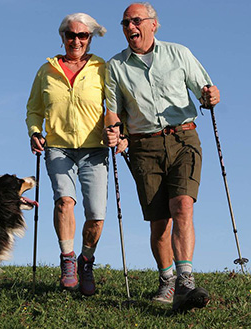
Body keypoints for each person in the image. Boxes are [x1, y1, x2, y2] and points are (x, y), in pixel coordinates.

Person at [104, 2, 220, 312]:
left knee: (182, 205)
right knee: (159, 222)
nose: (130, 27)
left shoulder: (179, 53)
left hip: (183, 137)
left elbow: (205, 90)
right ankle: (167, 280)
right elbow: (113, 111)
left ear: (154, 24)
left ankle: (185, 281)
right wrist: (113, 131)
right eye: (125, 22)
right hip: (144, 146)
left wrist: (211, 96)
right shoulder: (115, 66)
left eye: (136, 20)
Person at [25, 13, 108, 296]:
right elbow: (34, 109)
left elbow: (115, 106)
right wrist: (36, 131)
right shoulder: (46, 70)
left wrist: (117, 132)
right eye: (71, 35)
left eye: (82, 36)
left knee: (96, 215)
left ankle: (86, 261)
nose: (76, 41)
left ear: (90, 39)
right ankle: (68, 260)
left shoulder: (102, 68)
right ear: (62, 37)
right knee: (64, 202)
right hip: (58, 146)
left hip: (95, 149)